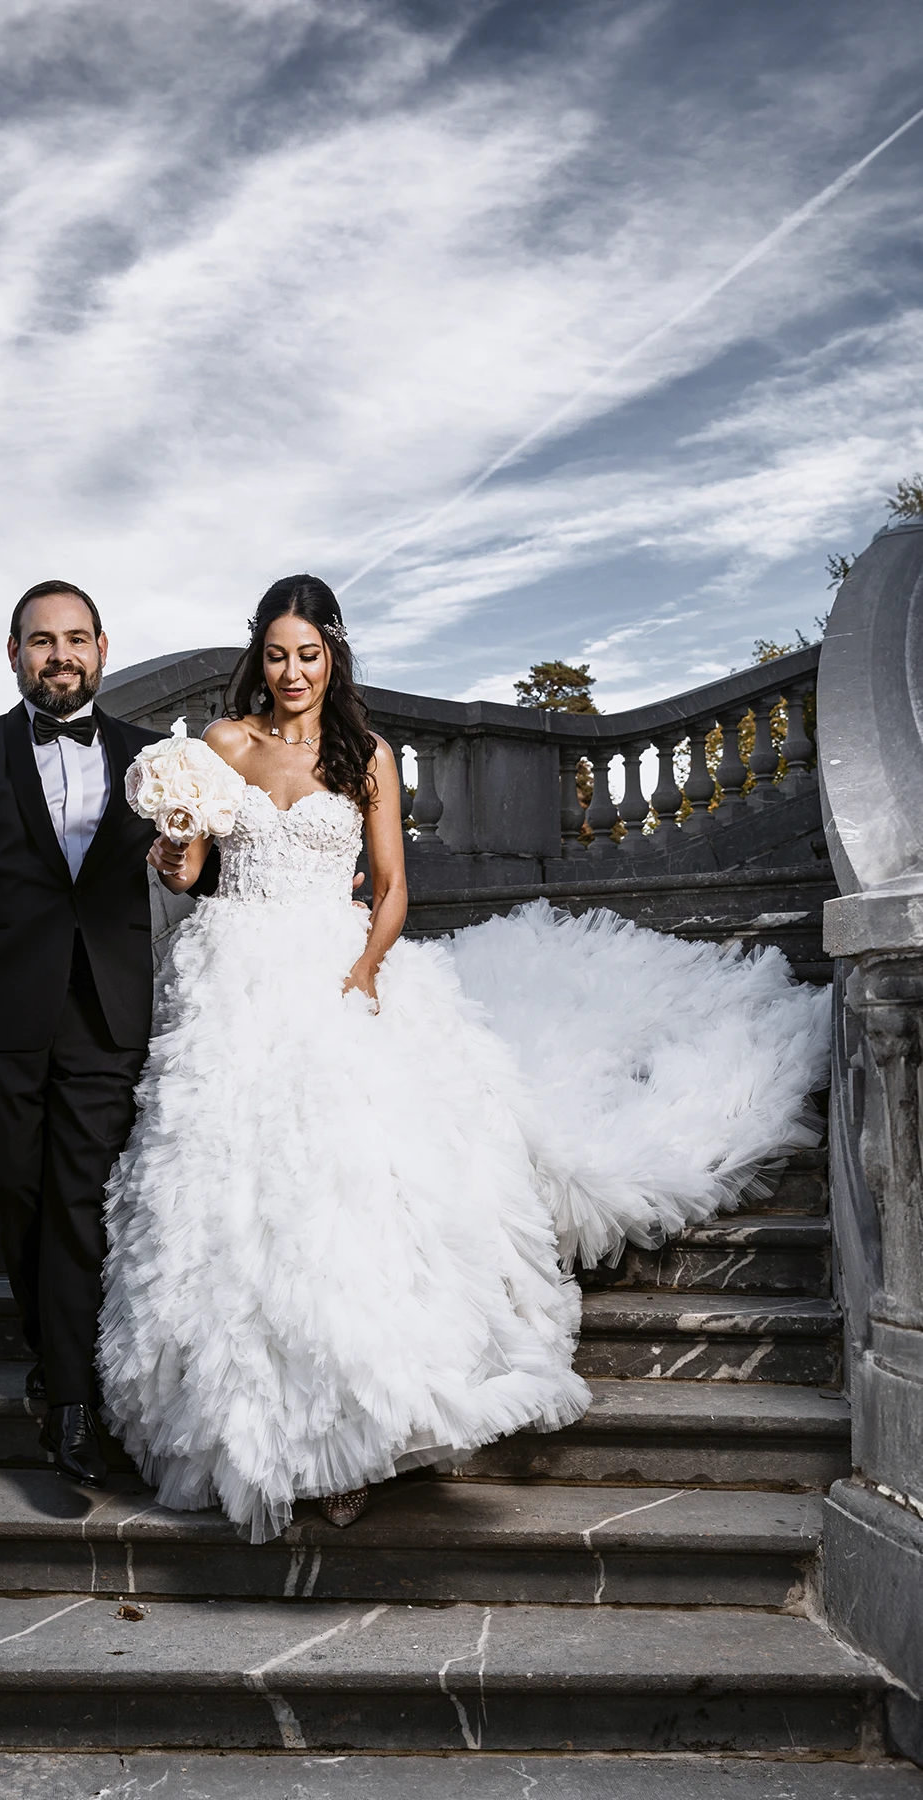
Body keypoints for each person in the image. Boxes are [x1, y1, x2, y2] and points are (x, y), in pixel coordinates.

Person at [97, 575, 829, 1542]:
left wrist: (363, 970)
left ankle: (356, 1433)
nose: (292, 673)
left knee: (349, 1191)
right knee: (230, 1195)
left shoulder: (367, 757)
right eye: (276, 655)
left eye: (308, 655)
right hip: (231, 972)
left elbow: (394, 889)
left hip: (333, 969)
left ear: (333, 656)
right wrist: (175, 850)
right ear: (256, 657)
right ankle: (258, 1430)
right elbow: (193, 875)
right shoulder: (223, 744)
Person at [0, 579, 215, 1489]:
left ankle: (71, 1403)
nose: (60, 654)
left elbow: (198, 867)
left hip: (107, 1016)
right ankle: (57, 1360)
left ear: (104, 647)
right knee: (14, 1197)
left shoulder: (155, 757)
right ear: (14, 655)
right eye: (42, 641)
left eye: (76, 638)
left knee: (81, 1205)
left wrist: (181, 859)